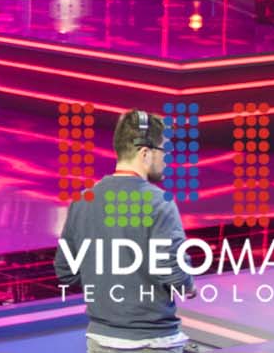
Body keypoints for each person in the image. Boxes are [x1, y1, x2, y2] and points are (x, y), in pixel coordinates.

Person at [54, 110, 195, 352]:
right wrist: (188, 286)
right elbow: (171, 268)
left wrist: (103, 284)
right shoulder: (159, 202)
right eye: (165, 151)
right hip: (153, 342)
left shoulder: (82, 201)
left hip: (100, 339)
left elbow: (65, 271)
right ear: (145, 153)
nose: (167, 160)